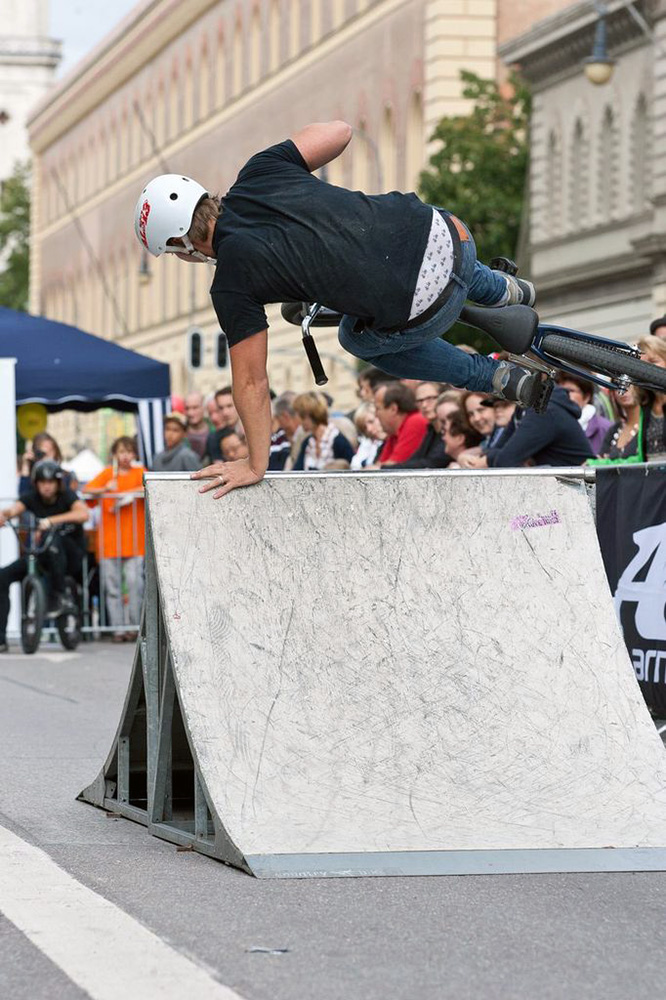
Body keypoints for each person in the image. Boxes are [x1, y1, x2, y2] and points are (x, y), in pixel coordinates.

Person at [135, 122, 546, 499]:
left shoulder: (231, 283)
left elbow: (251, 383)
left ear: (182, 244)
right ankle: (504, 290)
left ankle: (494, 377)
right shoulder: (260, 171)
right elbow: (340, 131)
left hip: (424, 302)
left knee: (355, 337)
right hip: (450, 232)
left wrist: (255, 463)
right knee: (412, 242)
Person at [0, 460, 88, 653]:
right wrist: (5, 514)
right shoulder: (31, 497)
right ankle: (1, 638)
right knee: (2, 577)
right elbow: (15, 509)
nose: (46, 486)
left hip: (70, 553)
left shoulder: (67, 496)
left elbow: (83, 514)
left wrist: (51, 521)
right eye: (42, 482)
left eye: (50, 482)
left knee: (51, 535)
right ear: (36, 483)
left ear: (57, 483)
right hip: (44, 555)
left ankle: (59, 594)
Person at [84, 437, 146, 642]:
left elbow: (148, 487)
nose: (125, 455)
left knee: (135, 584)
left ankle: (135, 626)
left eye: (129, 451)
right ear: (115, 455)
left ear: (134, 454)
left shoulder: (140, 472)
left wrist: (125, 494)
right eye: (121, 451)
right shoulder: (108, 474)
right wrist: (105, 489)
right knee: (113, 587)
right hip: (110, 542)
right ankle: (118, 628)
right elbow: (87, 493)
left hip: (134, 542)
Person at [464, 386, 594, 468]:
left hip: (580, 491)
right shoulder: (523, 409)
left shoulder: (544, 411)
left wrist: (488, 460)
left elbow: (505, 460)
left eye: (504, 405)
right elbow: (496, 450)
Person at [389, 381, 450, 469]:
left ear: (443, 397)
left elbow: (432, 462)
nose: (424, 405)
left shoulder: (451, 428)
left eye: (430, 398)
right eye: (420, 401)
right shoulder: (431, 430)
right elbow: (416, 459)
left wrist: (384, 468)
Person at [292, 392, 354, 471]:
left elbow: (351, 469)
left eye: (301, 416)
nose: (299, 421)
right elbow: (297, 471)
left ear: (310, 415)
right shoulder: (307, 442)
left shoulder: (338, 441)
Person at [556, 373, 612, 457]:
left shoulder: (605, 428)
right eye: (559, 390)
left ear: (586, 397)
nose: (563, 395)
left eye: (570, 391)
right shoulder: (552, 424)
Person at [374, 383, 428, 466]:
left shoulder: (415, 421)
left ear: (393, 409)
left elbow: (393, 467)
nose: (376, 414)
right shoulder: (394, 433)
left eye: (378, 408)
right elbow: (381, 464)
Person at [350, 402, 386, 470]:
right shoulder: (367, 442)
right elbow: (355, 465)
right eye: (364, 427)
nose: (369, 429)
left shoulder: (390, 440)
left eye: (371, 421)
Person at [184, 391, 210, 460]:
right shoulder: (180, 432)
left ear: (204, 408)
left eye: (195, 408)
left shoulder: (214, 430)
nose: (190, 413)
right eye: (187, 408)